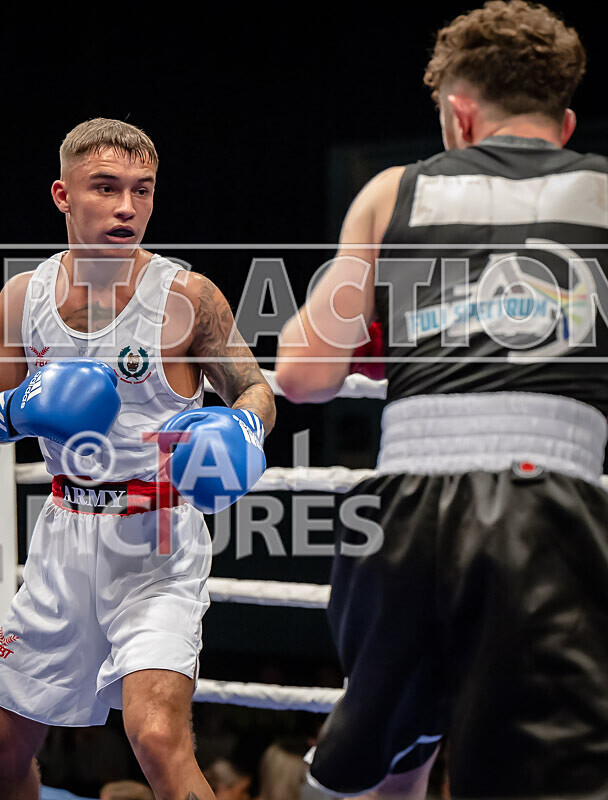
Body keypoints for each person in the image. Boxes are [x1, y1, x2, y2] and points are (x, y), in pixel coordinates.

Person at [275, 2, 608, 798]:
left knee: (375, 771)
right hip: (553, 507)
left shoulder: (394, 193)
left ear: (459, 116)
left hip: (405, 516)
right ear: (563, 123)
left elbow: (303, 375)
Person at [0, 118, 275, 800]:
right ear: (63, 195)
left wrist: (241, 432)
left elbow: (254, 387)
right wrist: (19, 410)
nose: (127, 206)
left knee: (157, 736)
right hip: (63, 538)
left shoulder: (188, 298)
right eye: (105, 188)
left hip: (158, 540)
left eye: (143, 190)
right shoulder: (24, 300)